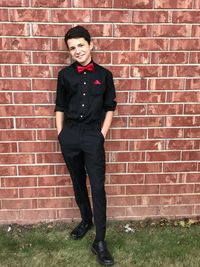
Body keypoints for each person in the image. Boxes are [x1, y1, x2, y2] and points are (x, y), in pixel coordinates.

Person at [54, 25, 117, 266]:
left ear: (90, 45)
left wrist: (101, 135)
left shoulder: (104, 75)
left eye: (81, 45)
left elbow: (110, 107)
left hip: (93, 135)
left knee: (98, 187)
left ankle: (99, 240)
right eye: (72, 48)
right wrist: (61, 134)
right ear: (69, 52)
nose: (77, 50)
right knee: (78, 181)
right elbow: (59, 106)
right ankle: (85, 219)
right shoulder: (64, 75)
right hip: (69, 135)